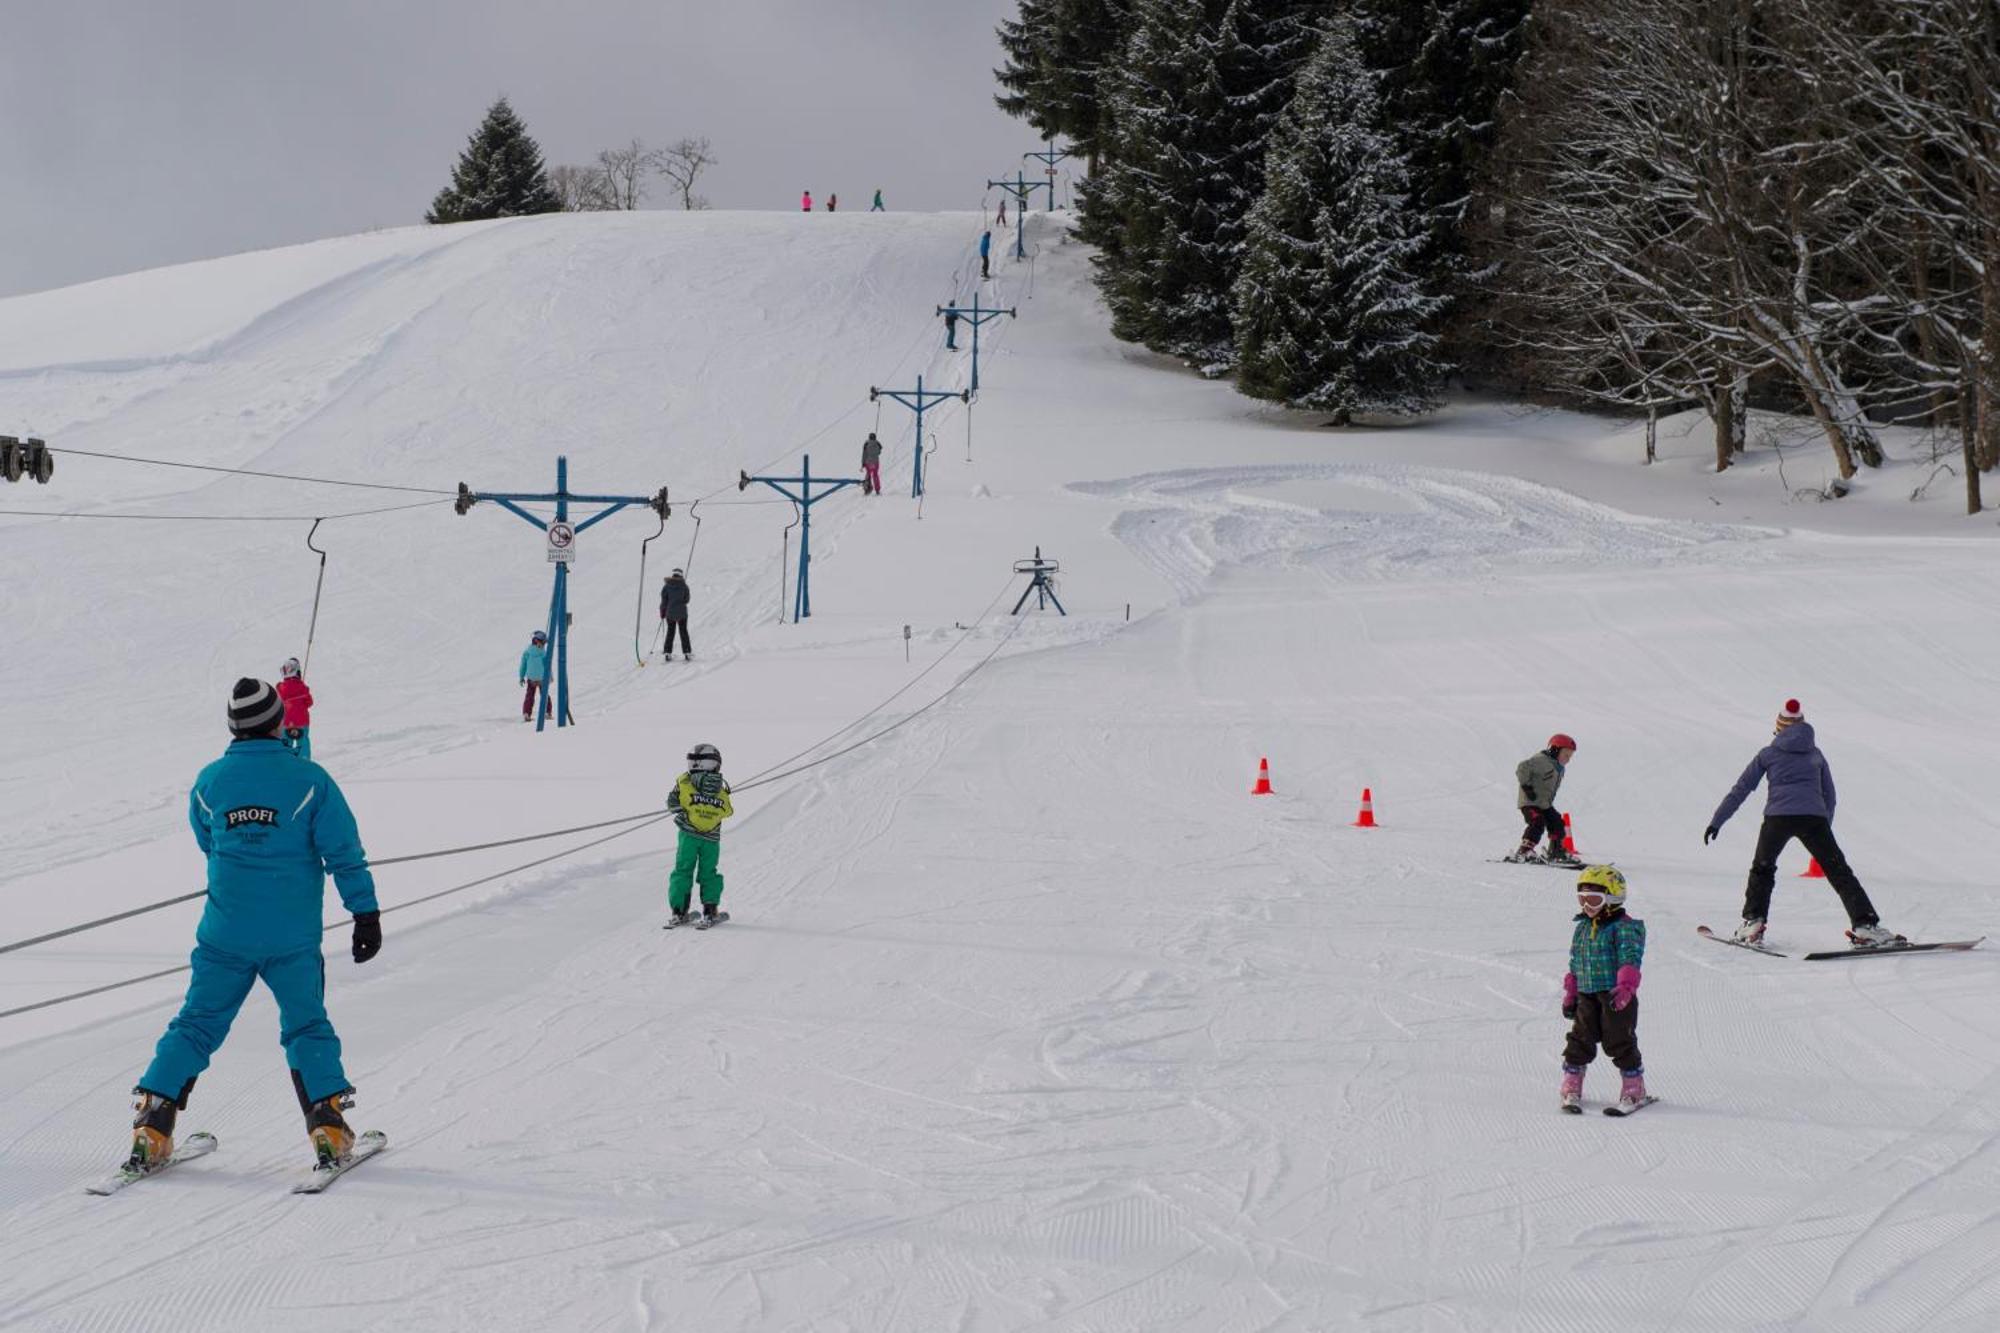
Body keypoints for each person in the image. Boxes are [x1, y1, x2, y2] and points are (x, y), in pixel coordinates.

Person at [123, 678, 381, 1173]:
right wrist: (364, 914)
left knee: (197, 1023)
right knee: (306, 1024)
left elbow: (209, 842)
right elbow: (342, 853)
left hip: (225, 932)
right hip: (291, 936)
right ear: (277, 720)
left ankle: (153, 1124)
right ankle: (327, 1126)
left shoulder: (210, 782)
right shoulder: (310, 780)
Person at [1707, 699, 1896, 947]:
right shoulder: (1815, 755)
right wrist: (1823, 826)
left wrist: (1717, 820)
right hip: (1813, 819)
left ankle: (1753, 922)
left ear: (1780, 727)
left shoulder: (1768, 754)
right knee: (1839, 872)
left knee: (1763, 869)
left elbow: (1742, 789)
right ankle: (1866, 925)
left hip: (1777, 818)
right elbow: (1830, 795)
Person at [1560, 865, 1647, 1113]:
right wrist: (1571, 993)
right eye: (1583, 898)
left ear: (1613, 897)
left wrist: (1625, 989)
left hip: (1615, 996)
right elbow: (1575, 962)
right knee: (1579, 1040)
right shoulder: (1583, 927)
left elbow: (1630, 958)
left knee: (1619, 1040)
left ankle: (1634, 1087)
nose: (1587, 905)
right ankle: (1572, 1082)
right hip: (1587, 994)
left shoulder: (1624, 927)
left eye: (1594, 899)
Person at [667, 743, 734, 926]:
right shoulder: (720, 788)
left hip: (688, 836)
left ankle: (678, 911)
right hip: (711, 839)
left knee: (682, 871)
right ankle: (710, 910)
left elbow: (672, 804)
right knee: (709, 873)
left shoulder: (684, 782)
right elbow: (728, 811)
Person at [1512, 734, 1580, 865]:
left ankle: (1555, 851)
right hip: (1530, 802)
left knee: (1557, 822)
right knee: (1537, 821)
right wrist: (1527, 786)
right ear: (1554, 750)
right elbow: (1522, 767)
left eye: (1570, 756)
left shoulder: (1559, 768)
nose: (1568, 759)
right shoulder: (1541, 760)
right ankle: (1524, 851)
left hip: (1544, 804)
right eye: (1566, 755)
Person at [277, 656, 313, 760]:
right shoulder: (302, 687)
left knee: (285, 741)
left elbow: (277, 703)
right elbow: (309, 703)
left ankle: (284, 759)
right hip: (302, 722)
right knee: (303, 742)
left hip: (286, 723)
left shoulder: (280, 688)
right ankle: (304, 759)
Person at [659, 568, 692, 660]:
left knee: (670, 632)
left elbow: (664, 601)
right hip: (682, 613)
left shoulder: (666, 586)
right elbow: (687, 600)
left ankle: (667, 653)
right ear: (681, 575)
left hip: (670, 613)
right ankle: (687, 652)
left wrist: (662, 612)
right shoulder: (684, 586)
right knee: (683, 632)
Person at [519, 629, 548, 722]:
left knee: (530, 695)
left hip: (531, 678)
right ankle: (547, 712)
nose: (543, 645)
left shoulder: (527, 652)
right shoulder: (543, 653)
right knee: (544, 694)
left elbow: (523, 665)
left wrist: (521, 677)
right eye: (543, 643)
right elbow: (547, 665)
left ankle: (526, 713)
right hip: (542, 678)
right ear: (537, 641)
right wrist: (550, 676)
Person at [861, 431, 884, 495]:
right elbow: (879, 452)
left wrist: (863, 463)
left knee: (868, 475)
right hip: (875, 463)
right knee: (875, 475)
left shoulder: (866, 444)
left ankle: (867, 489)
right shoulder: (877, 444)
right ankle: (877, 490)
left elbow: (864, 454)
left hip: (868, 463)